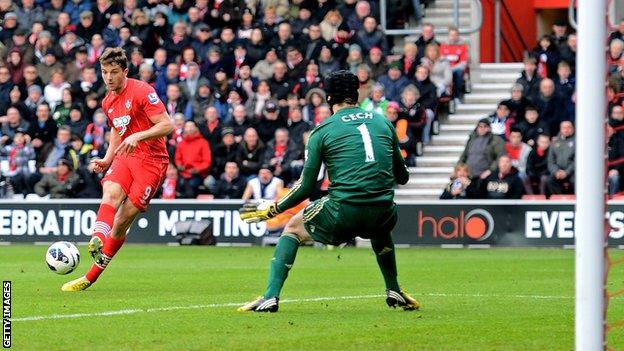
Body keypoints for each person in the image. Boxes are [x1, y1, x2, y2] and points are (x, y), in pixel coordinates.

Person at [237, 70, 419, 312]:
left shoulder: (322, 131)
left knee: (292, 227)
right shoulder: (384, 122)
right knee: (379, 227)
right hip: (384, 212)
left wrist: (274, 208)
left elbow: (306, 187)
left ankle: (270, 296)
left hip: (344, 212)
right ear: (356, 95)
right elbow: (403, 177)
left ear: (329, 98)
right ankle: (393, 288)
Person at [62, 48, 173, 292]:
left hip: (152, 161)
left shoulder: (143, 91)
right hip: (126, 155)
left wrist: (139, 136)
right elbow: (116, 130)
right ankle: (97, 239)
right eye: (104, 72)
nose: (109, 77)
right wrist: (107, 157)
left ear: (125, 71)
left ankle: (91, 276)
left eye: (114, 72)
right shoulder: (108, 100)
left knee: (122, 222)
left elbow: (167, 124)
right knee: (110, 192)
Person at [547, 121, 575, 196]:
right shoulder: (554, 142)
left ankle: (575, 203)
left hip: (572, 172)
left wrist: (567, 172)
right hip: (558, 172)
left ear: (573, 128)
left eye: (569, 127)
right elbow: (551, 161)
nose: (566, 130)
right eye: (564, 127)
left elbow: (577, 161)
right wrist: (556, 171)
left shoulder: (578, 141)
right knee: (549, 180)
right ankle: (559, 202)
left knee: (576, 181)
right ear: (560, 129)